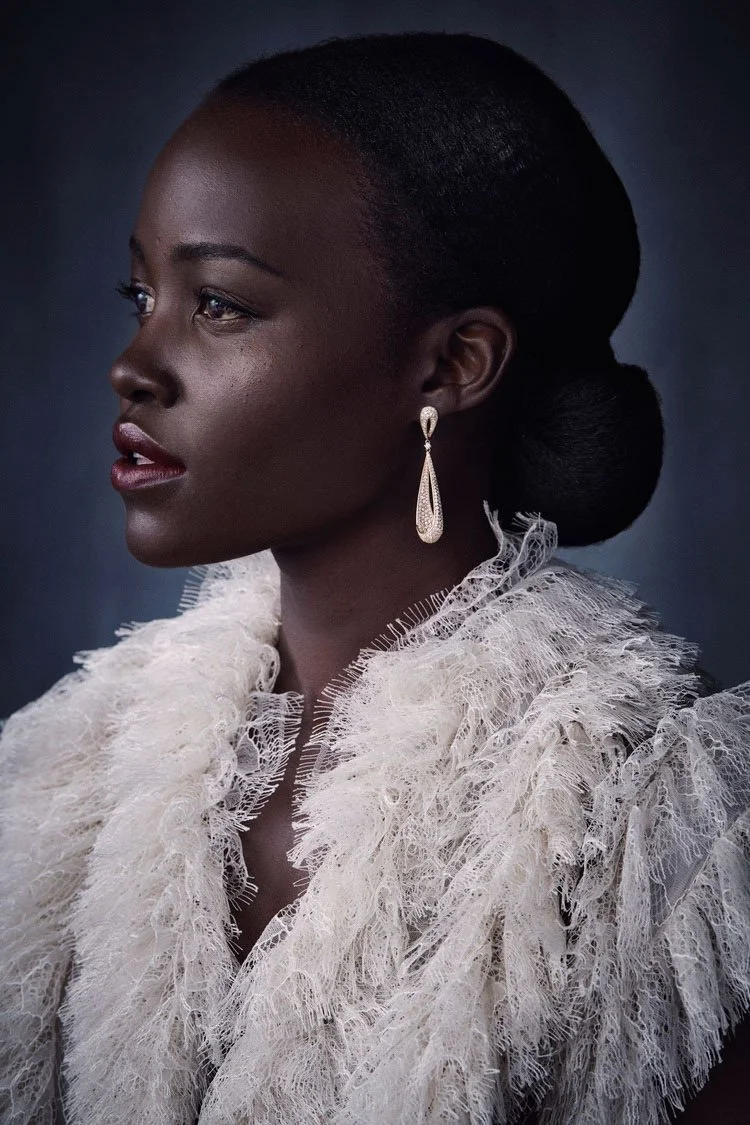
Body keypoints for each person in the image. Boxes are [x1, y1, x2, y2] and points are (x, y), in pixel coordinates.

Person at [1, 29, 749, 1125]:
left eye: (218, 304)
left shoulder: (667, 828)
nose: (135, 366)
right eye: (141, 296)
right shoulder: (62, 766)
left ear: (454, 364)